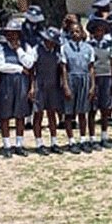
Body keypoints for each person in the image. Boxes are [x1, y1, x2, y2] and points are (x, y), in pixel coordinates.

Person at [0, 19, 37, 158]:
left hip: (22, 84)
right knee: (5, 115)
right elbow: (0, 66)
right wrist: (19, 68)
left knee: (20, 115)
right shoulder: (0, 47)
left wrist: (18, 50)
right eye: (9, 33)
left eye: (15, 33)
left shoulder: (26, 47)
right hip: (6, 83)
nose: (12, 36)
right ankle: (7, 145)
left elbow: (29, 64)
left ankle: (19, 144)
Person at [61, 23, 96, 151]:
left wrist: (92, 85)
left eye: (77, 31)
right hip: (71, 78)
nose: (75, 34)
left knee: (82, 112)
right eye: (72, 32)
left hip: (84, 79)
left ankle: (82, 140)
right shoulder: (64, 48)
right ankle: (71, 141)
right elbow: (64, 68)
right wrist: (65, 85)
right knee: (69, 113)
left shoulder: (89, 48)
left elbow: (91, 68)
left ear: (82, 33)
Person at [31, 27, 64, 155]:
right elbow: (32, 70)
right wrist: (32, 87)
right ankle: (39, 143)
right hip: (40, 85)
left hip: (53, 85)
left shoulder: (57, 52)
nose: (50, 43)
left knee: (52, 114)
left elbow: (61, 68)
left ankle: (54, 142)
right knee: (38, 114)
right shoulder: (36, 50)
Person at [87, 17, 112, 149]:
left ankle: (104, 137)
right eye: (97, 30)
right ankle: (92, 138)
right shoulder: (89, 45)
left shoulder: (110, 44)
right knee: (92, 109)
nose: (99, 33)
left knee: (105, 109)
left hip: (107, 77)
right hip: (94, 78)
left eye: (102, 30)